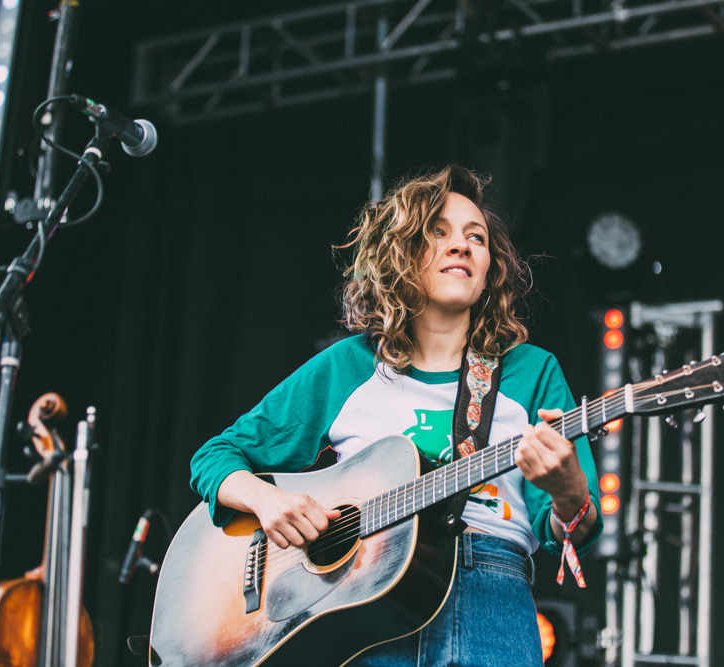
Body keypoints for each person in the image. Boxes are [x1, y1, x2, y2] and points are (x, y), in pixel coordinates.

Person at [190, 164, 602, 666]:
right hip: (361, 606)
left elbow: (573, 529)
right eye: (438, 232)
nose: (461, 245)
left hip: (489, 597)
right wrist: (267, 501)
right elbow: (215, 457)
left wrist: (568, 493)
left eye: (477, 238)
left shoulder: (531, 371)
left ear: (490, 267)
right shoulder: (348, 367)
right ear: (401, 255)